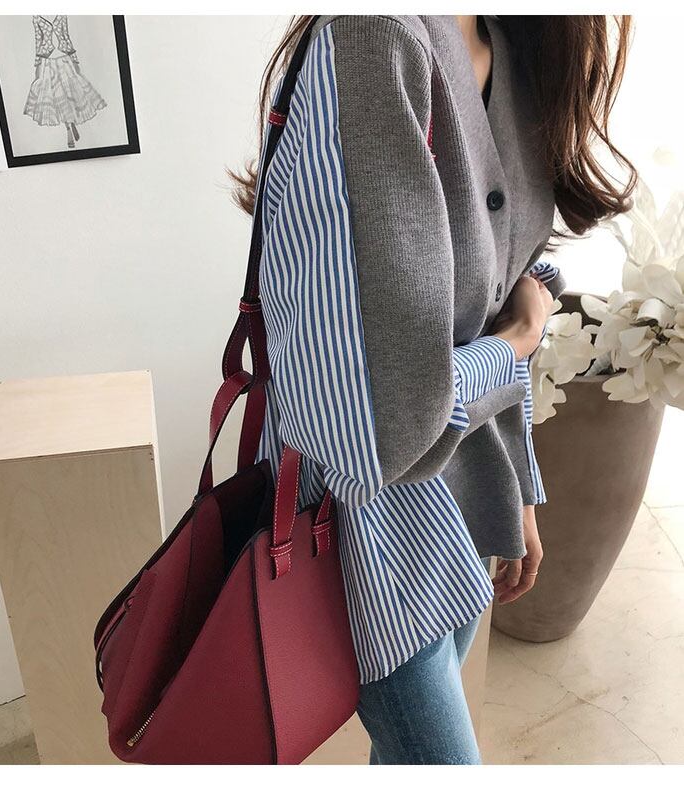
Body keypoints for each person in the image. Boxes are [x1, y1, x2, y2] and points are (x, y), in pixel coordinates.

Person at [229, 15, 636, 765]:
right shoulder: (374, 37)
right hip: (364, 520)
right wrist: (517, 342)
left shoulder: (513, 43)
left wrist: (517, 489)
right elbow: (393, 422)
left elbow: (501, 291)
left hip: (463, 488)